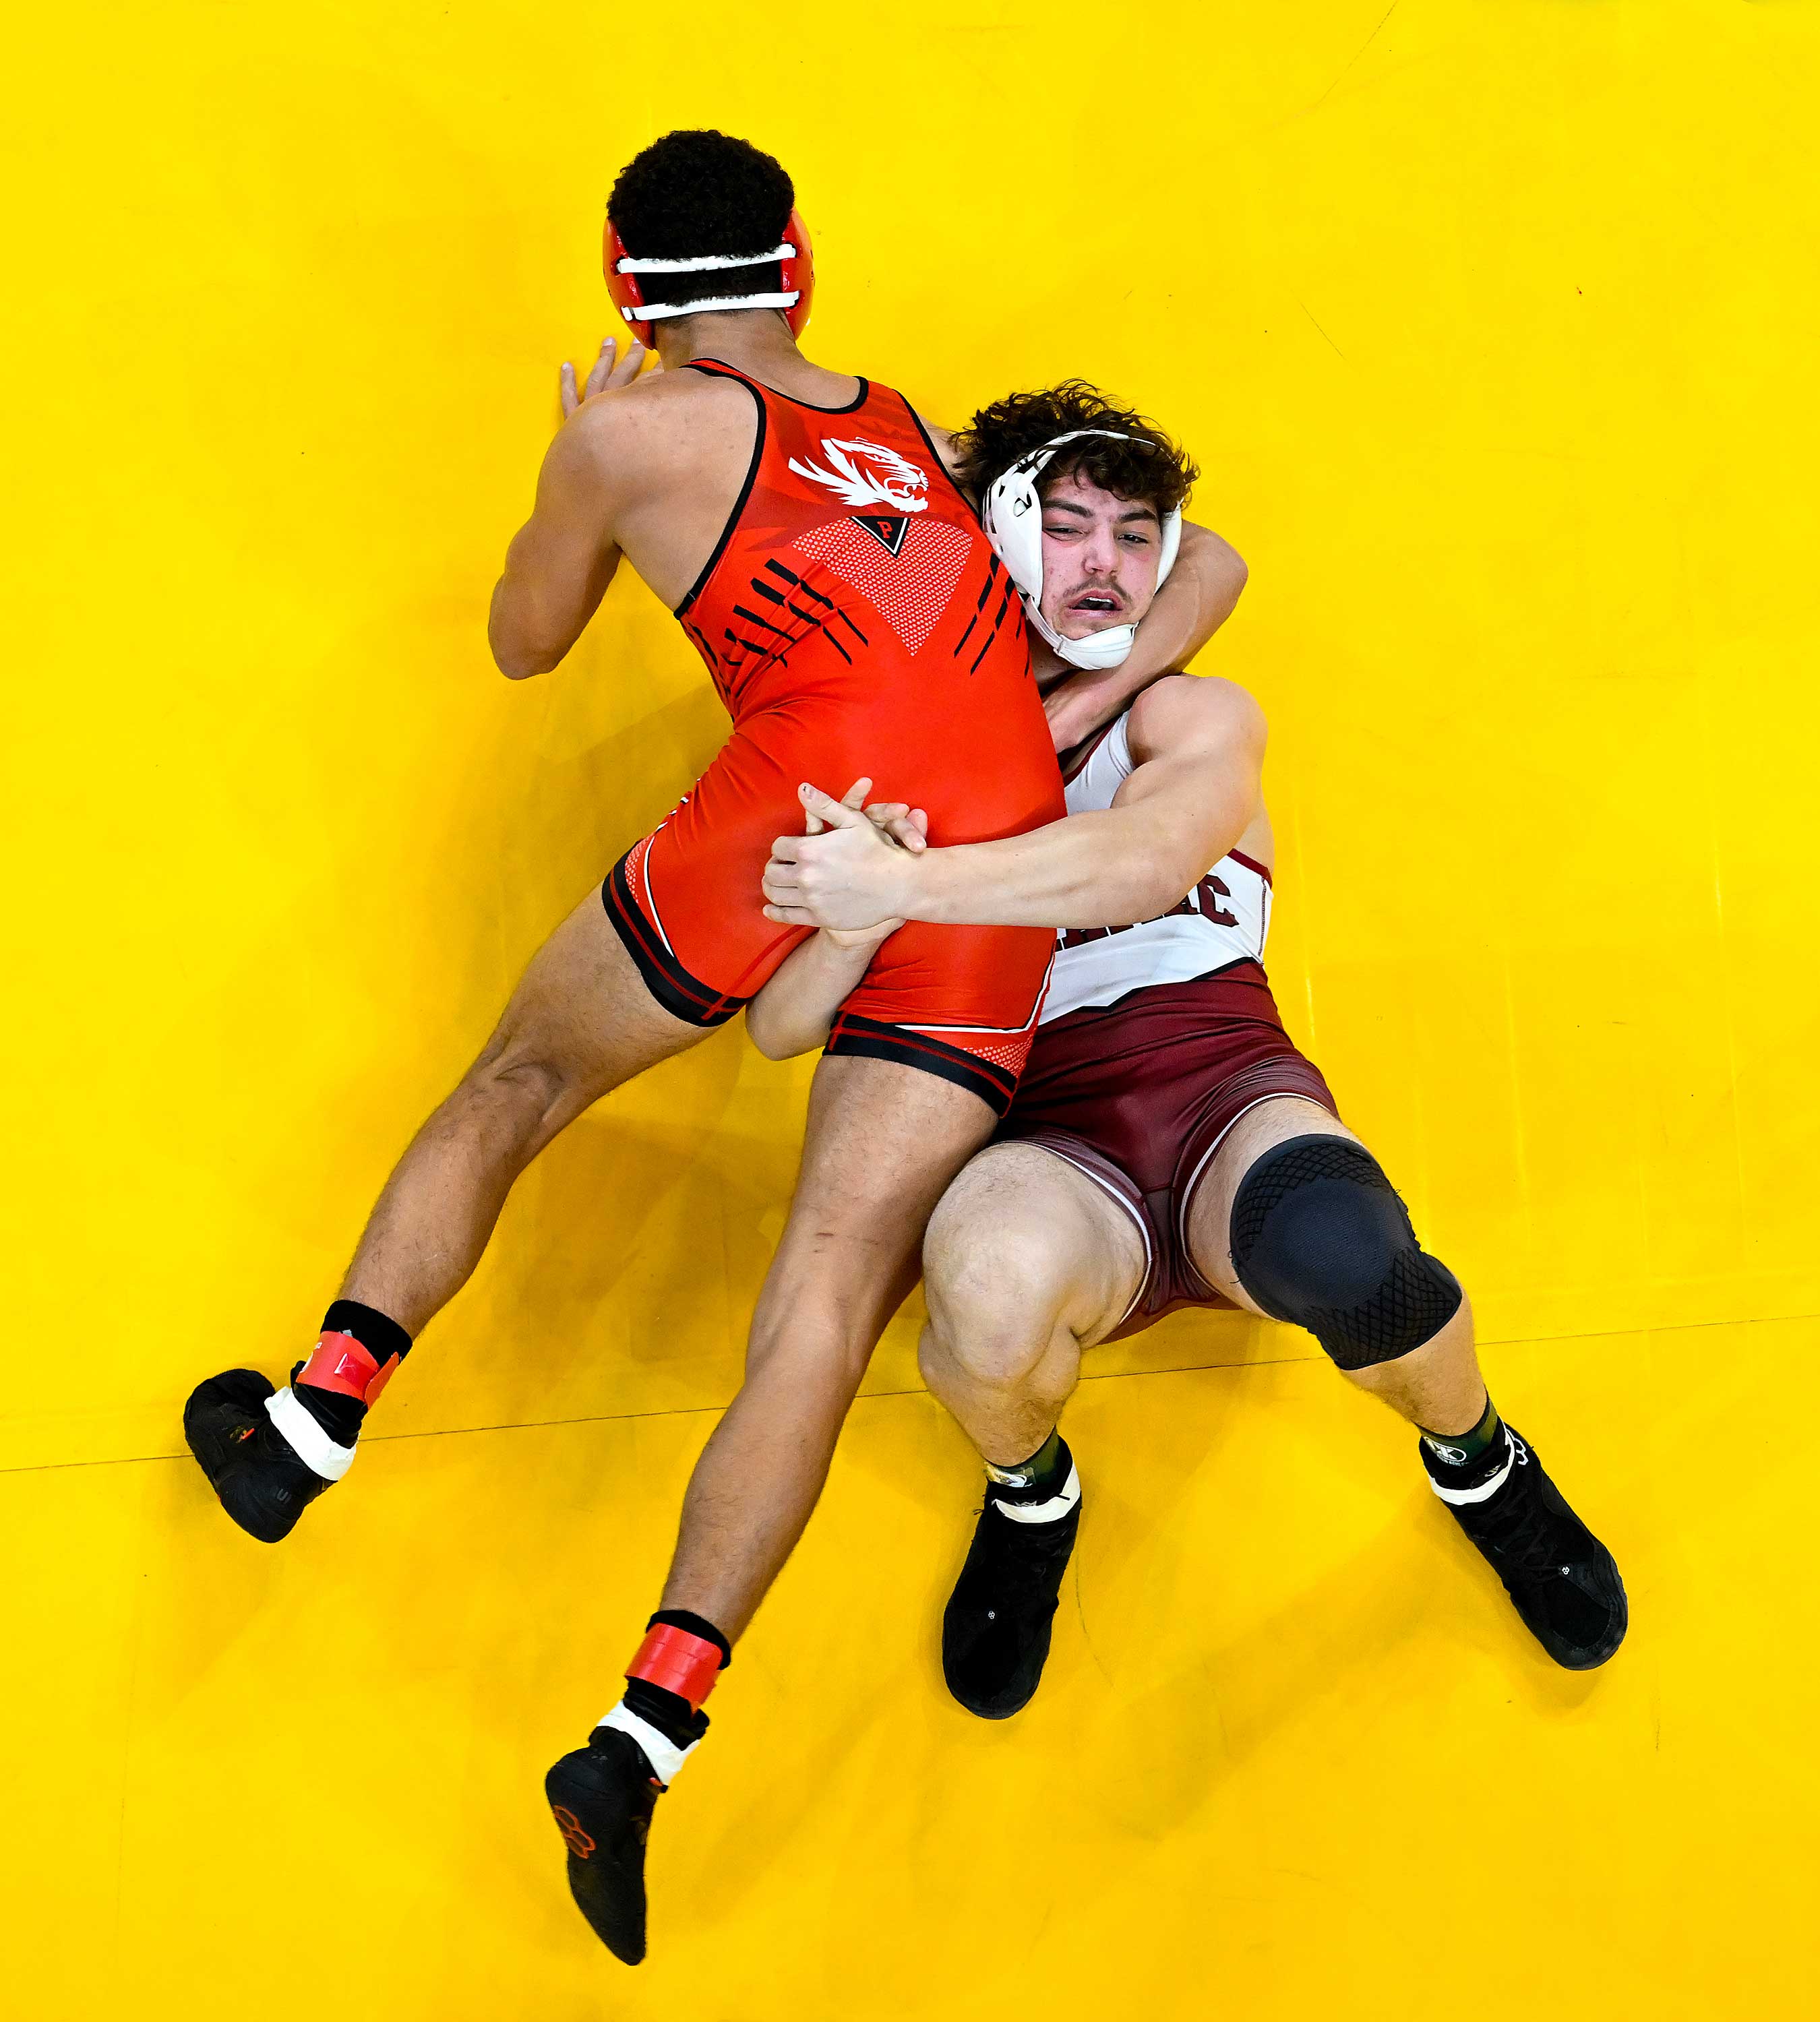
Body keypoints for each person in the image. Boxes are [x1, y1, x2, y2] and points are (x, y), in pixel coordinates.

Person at [179, 133, 1248, 1961]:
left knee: (519, 1083)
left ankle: (312, 1421)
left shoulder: (632, 431)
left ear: (625, 287)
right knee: (823, 1301)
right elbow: (1203, 558)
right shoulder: (902, 422)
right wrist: (1075, 703)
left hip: (791, 831)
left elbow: (524, 642)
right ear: (799, 260)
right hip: (982, 864)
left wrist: (584, 460)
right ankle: (642, 1738)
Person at [757, 382, 1628, 1732]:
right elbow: (782, 1024)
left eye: (1133, 536)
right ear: (997, 534)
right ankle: (1033, 1494)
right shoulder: (903, 753)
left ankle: (1479, 1459)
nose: (1103, 564)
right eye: (1066, 528)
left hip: (1223, 1084)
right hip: (1046, 1138)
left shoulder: (1186, 714)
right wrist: (855, 909)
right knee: (979, 1304)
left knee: (1351, 1253)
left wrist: (914, 878)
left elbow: (1145, 859)